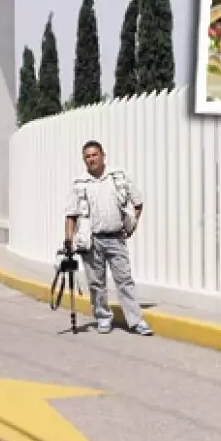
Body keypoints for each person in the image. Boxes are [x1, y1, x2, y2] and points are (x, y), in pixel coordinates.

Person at [64, 140, 154, 336]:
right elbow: (71, 214)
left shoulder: (117, 177)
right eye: (87, 157)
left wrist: (131, 226)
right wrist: (68, 241)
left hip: (115, 238)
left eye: (95, 155)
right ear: (84, 160)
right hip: (91, 241)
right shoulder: (80, 183)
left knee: (124, 280)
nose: (91, 159)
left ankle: (136, 321)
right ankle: (103, 317)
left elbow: (138, 202)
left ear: (103, 155)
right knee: (96, 283)